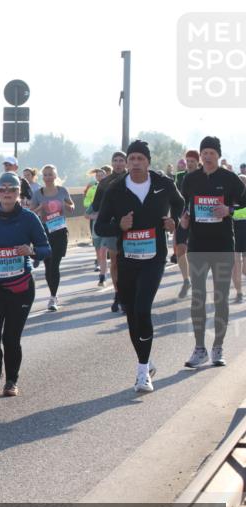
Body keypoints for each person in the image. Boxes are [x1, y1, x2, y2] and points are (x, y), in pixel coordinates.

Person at [95, 139, 183, 393]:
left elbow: (179, 204)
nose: (134, 163)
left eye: (139, 159)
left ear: (148, 162)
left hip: (154, 258)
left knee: (143, 309)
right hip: (127, 260)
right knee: (131, 313)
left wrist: (173, 220)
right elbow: (101, 226)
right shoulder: (115, 189)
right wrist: (118, 227)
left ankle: (142, 371)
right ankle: (145, 359)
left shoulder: (163, 184)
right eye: (131, 158)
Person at [0, 171, 50, 397]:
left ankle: (11, 380)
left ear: (19, 193)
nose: (7, 193)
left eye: (12, 189)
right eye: (2, 189)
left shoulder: (29, 218)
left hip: (21, 287)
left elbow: (46, 249)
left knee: (11, 338)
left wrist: (32, 251)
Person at [179, 136, 246, 368]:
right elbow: (184, 206)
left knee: (221, 298)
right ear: (200, 155)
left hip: (223, 246)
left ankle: (218, 347)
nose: (207, 156)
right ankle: (200, 349)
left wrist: (229, 209)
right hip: (197, 246)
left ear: (218, 155)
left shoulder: (230, 179)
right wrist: (184, 220)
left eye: (211, 153)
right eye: (204, 152)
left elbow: (244, 204)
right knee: (197, 298)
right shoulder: (190, 179)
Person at [30, 164, 75, 311]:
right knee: (48, 266)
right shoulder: (38, 193)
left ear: (55, 176)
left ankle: (53, 297)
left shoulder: (62, 191)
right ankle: (52, 295)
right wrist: (40, 208)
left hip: (60, 232)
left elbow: (71, 205)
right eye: (46, 175)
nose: (48, 177)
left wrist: (68, 206)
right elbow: (31, 213)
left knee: (54, 265)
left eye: (51, 174)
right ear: (43, 177)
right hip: (44, 232)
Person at [91, 151, 129, 312]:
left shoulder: (133, 179)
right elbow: (96, 205)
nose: (119, 163)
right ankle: (117, 294)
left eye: (122, 160)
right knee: (114, 262)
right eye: (116, 160)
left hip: (131, 226)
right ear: (112, 163)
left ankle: (128, 294)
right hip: (113, 227)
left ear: (126, 163)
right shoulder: (105, 182)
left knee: (129, 262)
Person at [173, 149, 201, 297]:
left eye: (192, 161)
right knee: (180, 249)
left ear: (198, 162)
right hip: (183, 216)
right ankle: (186, 280)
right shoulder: (179, 177)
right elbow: (176, 197)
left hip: (200, 217)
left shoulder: (204, 175)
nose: (189, 164)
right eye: (188, 161)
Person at [235, 174, 246, 303]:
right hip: (233, 233)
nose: (241, 183)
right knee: (235, 264)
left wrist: (230, 211)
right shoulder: (229, 195)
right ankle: (239, 292)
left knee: (244, 268)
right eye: (239, 181)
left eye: (243, 181)